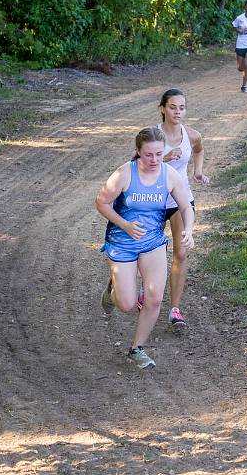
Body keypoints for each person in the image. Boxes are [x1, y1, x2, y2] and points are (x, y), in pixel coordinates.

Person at [96, 127, 195, 369]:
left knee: (154, 297)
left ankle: (136, 348)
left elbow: (186, 205)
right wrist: (125, 224)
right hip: (122, 243)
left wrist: (188, 230)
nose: (154, 160)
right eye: (148, 155)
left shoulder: (169, 175)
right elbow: (101, 202)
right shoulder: (124, 174)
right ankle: (113, 293)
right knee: (127, 304)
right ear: (138, 152)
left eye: (159, 154)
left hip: (152, 243)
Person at [155, 88, 209, 327]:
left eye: (182, 107)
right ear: (163, 109)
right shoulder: (152, 135)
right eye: (173, 107)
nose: (177, 112)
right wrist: (162, 158)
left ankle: (174, 308)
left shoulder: (192, 134)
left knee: (181, 252)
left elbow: (199, 149)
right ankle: (134, 287)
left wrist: (198, 172)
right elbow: (135, 162)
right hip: (152, 200)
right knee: (147, 253)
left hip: (180, 199)